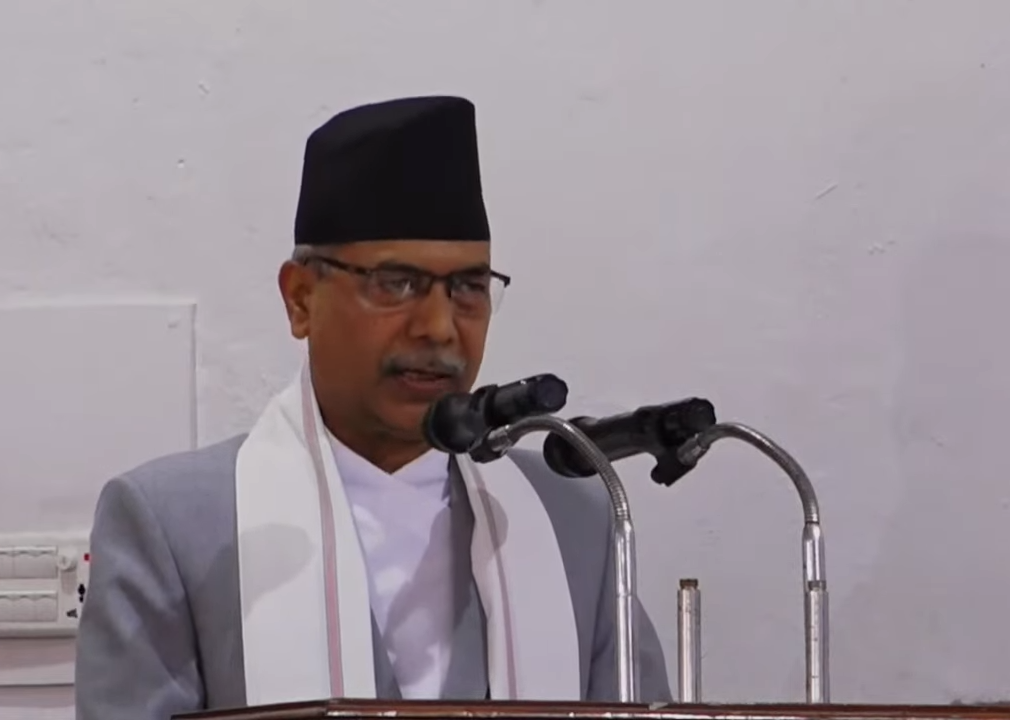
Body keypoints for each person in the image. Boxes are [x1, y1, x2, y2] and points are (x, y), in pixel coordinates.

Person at [73, 95, 671, 720]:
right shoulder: (176, 526)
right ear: (300, 299)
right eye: (398, 284)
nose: (439, 327)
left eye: (468, 287)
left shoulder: (569, 516)